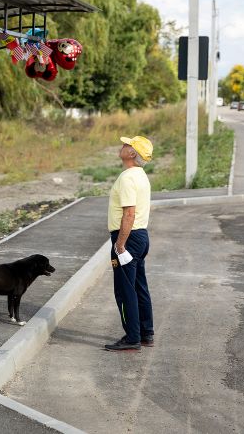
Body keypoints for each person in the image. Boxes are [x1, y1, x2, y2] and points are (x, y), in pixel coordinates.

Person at [104, 135, 155, 352]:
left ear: (132, 153)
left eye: (127, 145)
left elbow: (129, 213)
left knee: (125, 291)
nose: (123, 146)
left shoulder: (127, 178)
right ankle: (145, 333)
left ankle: (132, 337)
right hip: (141, 236)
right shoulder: (141, 175)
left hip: (128, 238)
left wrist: (120, 244)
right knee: (139, 287)